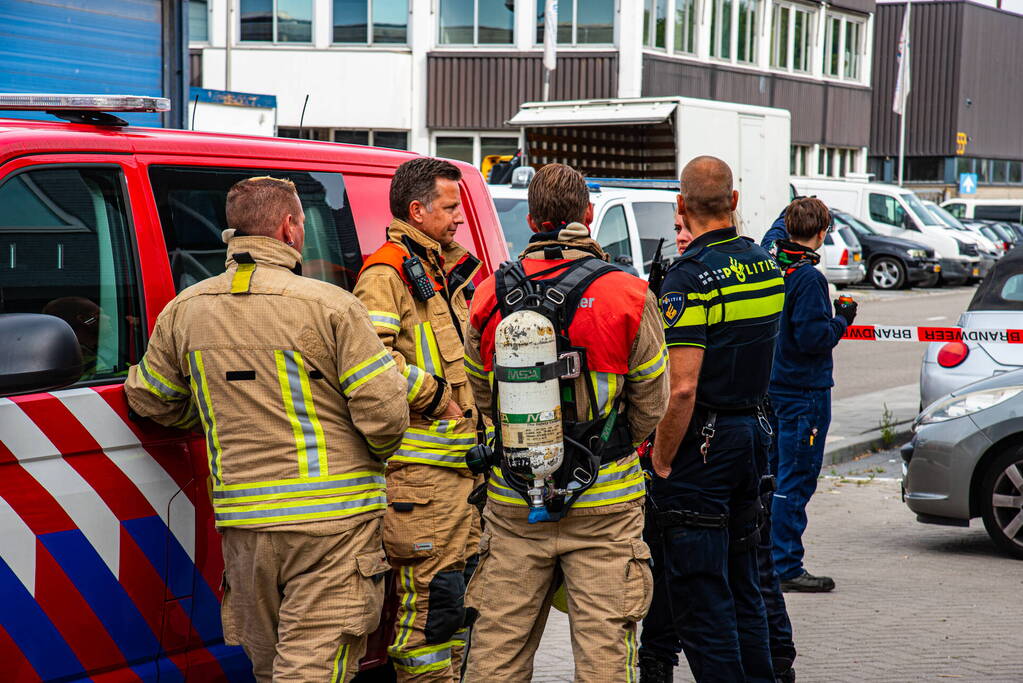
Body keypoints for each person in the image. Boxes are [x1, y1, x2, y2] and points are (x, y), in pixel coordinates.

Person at [124, 176, 409, 682]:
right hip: (332, 527)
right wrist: (371, 452)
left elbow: (151, 399)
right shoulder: (332, 307)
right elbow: (385, 416)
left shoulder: (185, 310)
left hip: (246, 529)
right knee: (310, 668)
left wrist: (212, 412)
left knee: (269, 664)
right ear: (290, 228)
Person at [462, 162, 669, 682]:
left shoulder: (488, 294)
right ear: (589, 215)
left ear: (531, 220)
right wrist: (605, 446)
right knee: (603, 661)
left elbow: (483, 396)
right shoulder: (629, 294)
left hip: (515, 502)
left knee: (495, 658)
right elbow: (651, 403)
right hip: (605, 504)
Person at [639, 198, 798, 683]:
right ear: (732, 201)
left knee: (702, 596)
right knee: (745, 580)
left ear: (685, 206)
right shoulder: (765, 265)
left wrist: (663, 459)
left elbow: (683, 386)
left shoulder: (690, 277)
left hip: (703, 447)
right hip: (752, 437)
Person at [353, 157, 484, 682]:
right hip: (421, 486)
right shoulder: (386, 274)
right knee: (429, 618)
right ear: (417, 209)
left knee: (454, 608)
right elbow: (371, 363)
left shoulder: (437, 269)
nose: (459, 219)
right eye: (451, 207)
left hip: (457, 480)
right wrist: (436, 398)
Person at [764, 198, 856, 593]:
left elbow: (773, 232)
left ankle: (764, 557)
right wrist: (843, 318)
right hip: (805, 394)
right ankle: (785, 564)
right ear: (822, 234)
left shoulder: (770, 264)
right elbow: (815, 339)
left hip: (772, 390)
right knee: (794, 481)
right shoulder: (809, 279)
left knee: (771, 478)